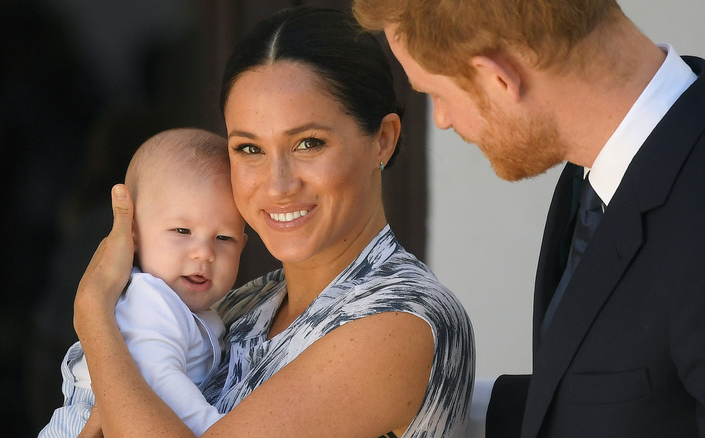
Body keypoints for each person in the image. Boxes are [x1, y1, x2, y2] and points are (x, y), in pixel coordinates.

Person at [72, 6, 475, 438]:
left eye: (308, 143)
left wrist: (94, 312)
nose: (278, 185)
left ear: (383, 139)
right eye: (249, 149)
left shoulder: (402, 319)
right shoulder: (243, 306)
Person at [353, 0, 705, 437]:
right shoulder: (598, 172)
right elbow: (626, 398)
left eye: (435, 95)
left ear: (500, 79)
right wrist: (420, 400)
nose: (441, 121)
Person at [39, 128, 247, 437]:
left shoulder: (197, 308)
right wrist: (216, 429)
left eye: (223, 238)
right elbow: (160, 382)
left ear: (243, 244)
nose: (204, 253)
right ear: (132, 235)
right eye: (181, 231)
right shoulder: (150, 300)